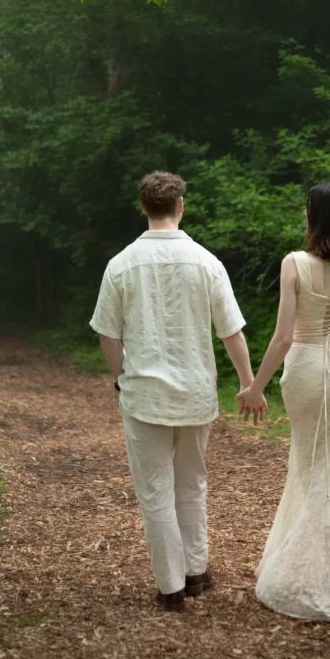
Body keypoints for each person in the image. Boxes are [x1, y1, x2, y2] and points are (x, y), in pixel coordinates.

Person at [90, 171, 266, 612]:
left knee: (155, 489)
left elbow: (108, 337)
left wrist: (120, 377)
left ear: (144, 207)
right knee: (192, 482)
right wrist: (247, 382)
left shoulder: (121, 264)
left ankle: (170, 586)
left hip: (144, 395)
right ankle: (196, 570)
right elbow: (232, 331)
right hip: (195, 393)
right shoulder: (206, 262)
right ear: (181, 205)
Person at [238, 182, 330, 622]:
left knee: (306, 466)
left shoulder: (295, 263)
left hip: (304, 370)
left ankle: (303, 575)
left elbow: (283, 337)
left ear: (315, 218)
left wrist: (255, 386)